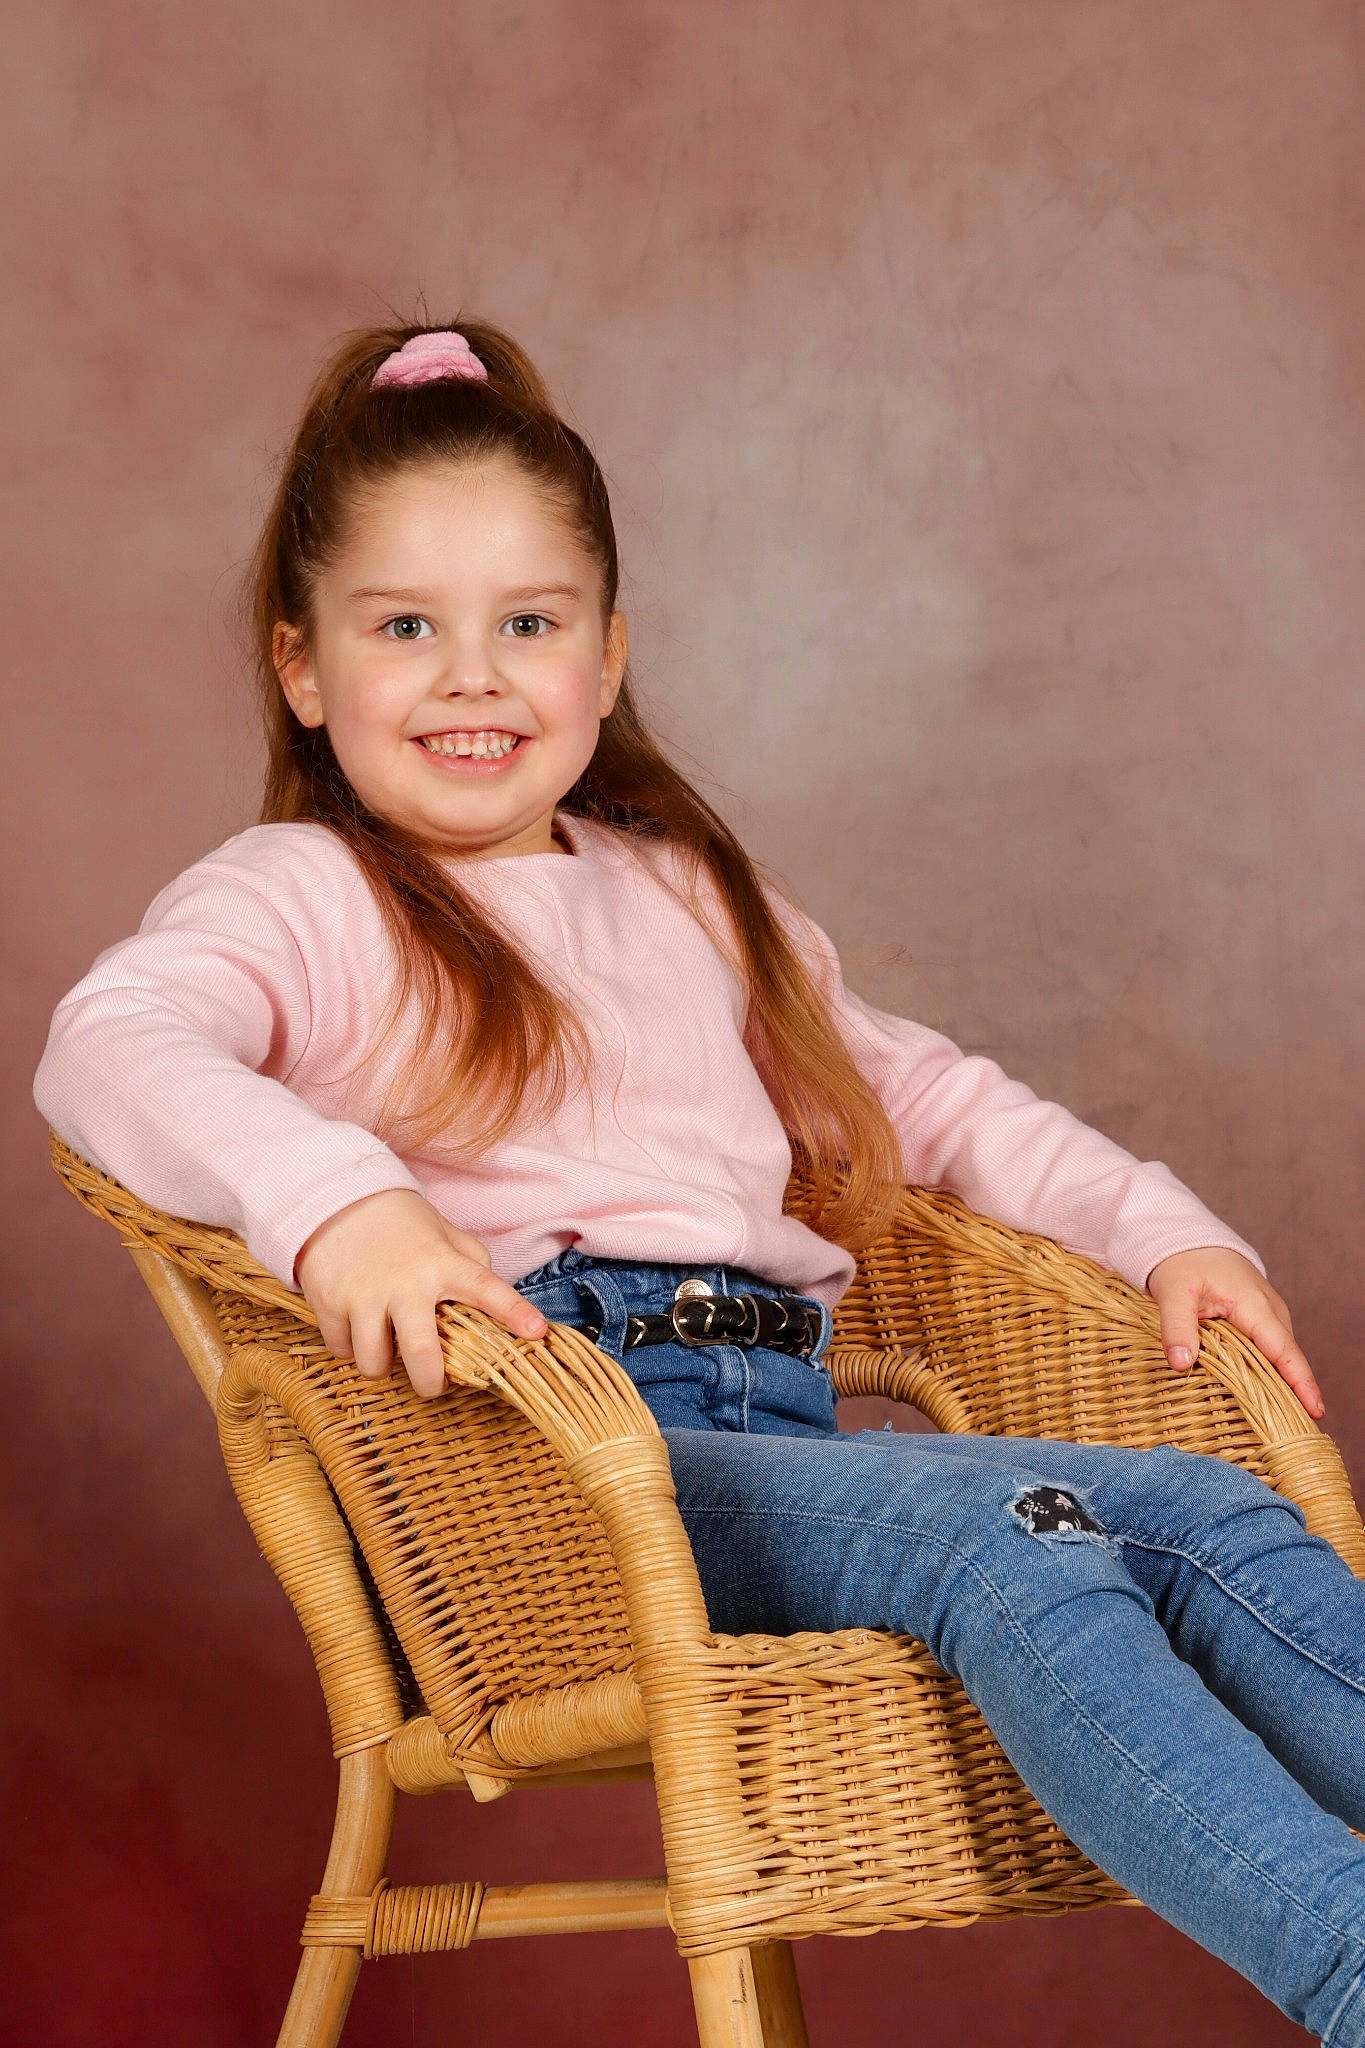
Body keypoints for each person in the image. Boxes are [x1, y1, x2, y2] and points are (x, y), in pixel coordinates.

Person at [30, 317, 1365, 2043]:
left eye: (528, 624)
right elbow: (106, 1039)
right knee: (1021, 1538)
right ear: (301, 668)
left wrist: (1162, 1228)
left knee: (1207, 1518)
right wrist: (335, 1198)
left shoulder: (684, 899)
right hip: (557, 1480)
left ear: (607, 653)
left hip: (764, 1447)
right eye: (403, 628)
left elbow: (935, 1098)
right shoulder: (301, 893)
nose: (471, 676)